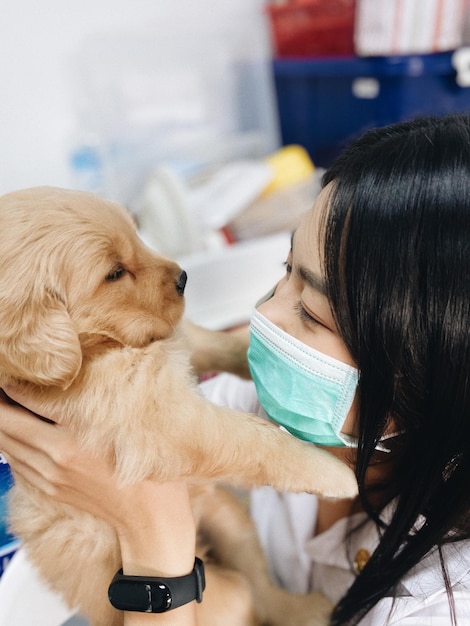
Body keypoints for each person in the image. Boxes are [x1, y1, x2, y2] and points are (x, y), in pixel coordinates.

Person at [1, 113, 470, 625]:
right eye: (285, 270)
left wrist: (153, 536)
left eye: (312, 312)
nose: (262, 315)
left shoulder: (438, 608)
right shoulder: (269, 402)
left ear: (433, 376)